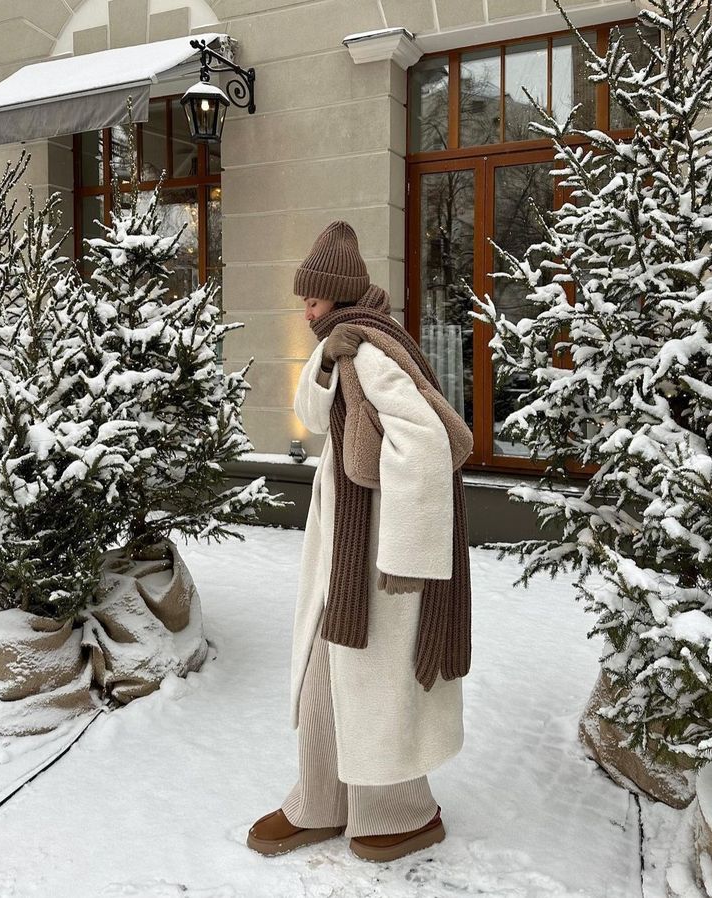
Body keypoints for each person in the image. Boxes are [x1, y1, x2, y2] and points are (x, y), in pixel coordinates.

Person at [246, 220, 473, 863]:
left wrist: (406, 556)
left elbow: (431, 444)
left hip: (378, 554)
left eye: (314, 301)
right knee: (326, 668)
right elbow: (313, 416)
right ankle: (323, 796)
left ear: (340, 297)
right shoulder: (346, 349)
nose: (307, 311)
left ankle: (400, 809)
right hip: (344, 549)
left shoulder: (373, 353)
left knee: (376, 680)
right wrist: (323, 356)